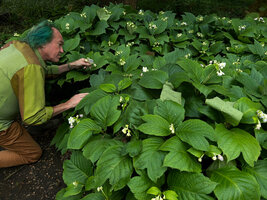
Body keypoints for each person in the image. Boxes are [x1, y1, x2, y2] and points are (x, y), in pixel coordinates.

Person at [0, 21, 91, 168]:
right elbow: (31, 117)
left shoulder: (18, 46)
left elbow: (42, 70)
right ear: (42, 45)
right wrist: (69, 104)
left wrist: (71, 65)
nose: (62, 50)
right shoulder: (31, 68)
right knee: (32, 153)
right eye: (59, 44)